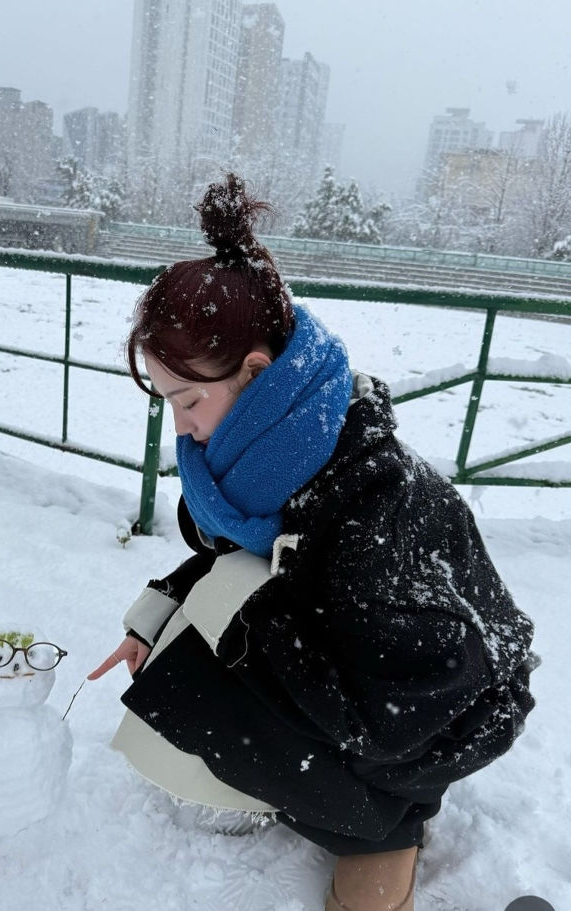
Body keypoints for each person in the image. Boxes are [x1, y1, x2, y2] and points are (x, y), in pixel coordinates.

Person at [88, 174, 536, 911]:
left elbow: (394, 714)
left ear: (257, 371)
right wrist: (164, 610)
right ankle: (344, 807)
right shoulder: (282, 447)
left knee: (217, 693)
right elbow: (238, 557)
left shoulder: (369, 511)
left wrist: (242, 630)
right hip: (380, 675)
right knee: (200, 670)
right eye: (172, 405)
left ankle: (388, 826)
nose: (186, 431)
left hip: (440, 714)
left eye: (190, 401)